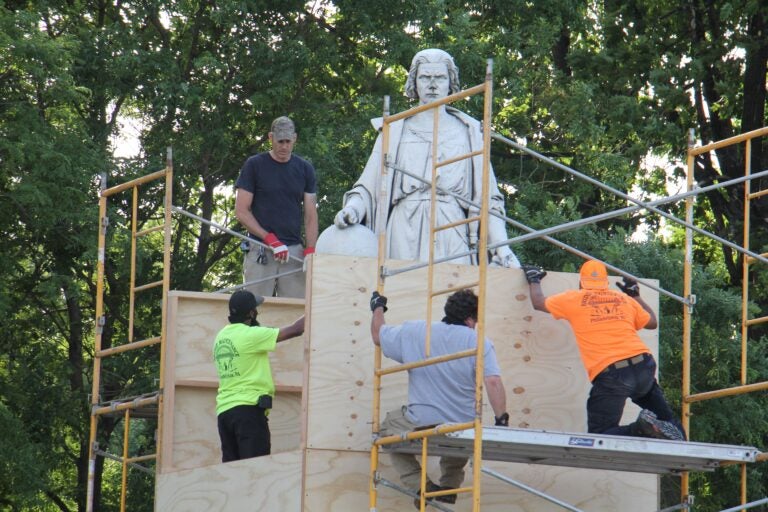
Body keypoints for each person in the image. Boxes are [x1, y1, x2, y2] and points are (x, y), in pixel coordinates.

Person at [334, 48, 520, 268]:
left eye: (440, 78)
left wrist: (501, 245)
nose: (433, 85)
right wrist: (353, 209)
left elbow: (490, 199)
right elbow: (368, 186)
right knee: (403, 294)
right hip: (404, 228)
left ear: (450, 82)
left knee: (455, 296)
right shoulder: (394, 130)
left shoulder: (469, 132)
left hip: (453, 227)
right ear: (415, 82)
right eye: (425, 77)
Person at [370, 289, 509, 508]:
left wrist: (378, 306)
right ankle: (449, 487)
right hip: (461, 422)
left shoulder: (416, 332)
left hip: (421, 420)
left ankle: (421, 486)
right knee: (462, 437)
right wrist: (502, 420)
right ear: (471, 319)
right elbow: (492, 382)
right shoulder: (480, 341)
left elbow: (378, 335)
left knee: (387, 432)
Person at [522, 260, 686, 441]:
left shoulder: (574, 299)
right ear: (605, 282)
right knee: (670, 424)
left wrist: (534, 278)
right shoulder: (624, 299)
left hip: (614, 375)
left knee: (600, 434)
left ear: (581, 282)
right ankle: (685, 453)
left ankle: (640, 430)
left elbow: (538, 302)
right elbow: (652, 322)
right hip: (643, 367)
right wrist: (635, 295)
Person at [213, 290, 305, 462]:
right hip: (248, 412)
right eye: (255, 308)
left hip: (225, 414)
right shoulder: (251, 335)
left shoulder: (221, 336)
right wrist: (317, 305)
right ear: (250, 313)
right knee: (256, 471)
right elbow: (296, 329)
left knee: (233, 471)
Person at [235, 115, 319, 298]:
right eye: (280, 141)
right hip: (261, 248)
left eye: (288, 141)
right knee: (253, 306)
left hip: (293, 251)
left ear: (295, 138)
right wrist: (270, 239)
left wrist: (310, 251)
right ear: (270, 138)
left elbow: (311, 215)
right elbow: (241, 211)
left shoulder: (305, 169)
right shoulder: (254, 165)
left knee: (297, 310)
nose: (284, 146)